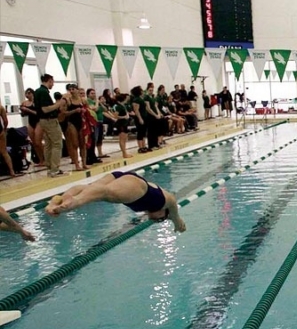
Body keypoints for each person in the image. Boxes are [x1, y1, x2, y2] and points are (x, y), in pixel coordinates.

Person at [45, 171, 186, 232]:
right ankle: (74, 202)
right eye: (161, 219)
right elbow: (173, 203)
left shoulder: (152, 205)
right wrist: (177, 221)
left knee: (91, 188)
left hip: (123, 177)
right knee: (104, 193)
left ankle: (57, 202)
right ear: (164, 212)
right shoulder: (163, 202)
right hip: (137, 187)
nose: (156, 220)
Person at [34, 74, 66, 177]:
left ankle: (50, 167)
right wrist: (58, 104)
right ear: (49, 80)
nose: (53, 84)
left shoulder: (38, 91)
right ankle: (55, 169)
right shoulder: (43, 92)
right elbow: (45, 109)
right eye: (53, 82)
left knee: (48, 144)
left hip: (43, 121)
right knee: (57, 144)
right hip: (49, 120)